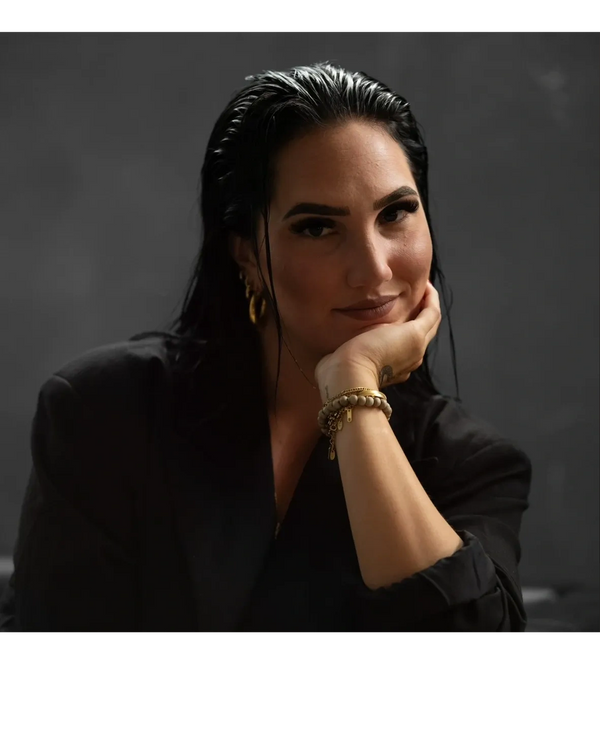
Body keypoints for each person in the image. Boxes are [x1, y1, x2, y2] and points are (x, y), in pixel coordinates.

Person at [0, 62, 533, 635]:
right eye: (317, 227)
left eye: (396, 213)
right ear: (247, 254)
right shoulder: (106, 409)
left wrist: (352, 385)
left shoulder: (471, 463)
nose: (374, 269)